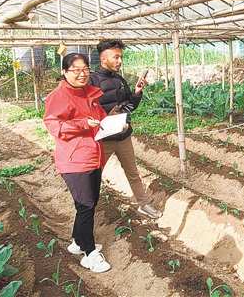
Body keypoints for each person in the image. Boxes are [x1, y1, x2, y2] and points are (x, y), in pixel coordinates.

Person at [43, 53, 111, 273]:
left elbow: (100, 117)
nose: (82, 74)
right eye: (76, 70)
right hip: (74, 159)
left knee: (88, 204)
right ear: (64, 72)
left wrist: (114, 124)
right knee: (86, 206)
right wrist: (82, 124)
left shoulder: (87, 93)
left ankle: (78, 242)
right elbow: (55, 126)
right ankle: (90, 253)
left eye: (85, 69)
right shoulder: (59, 95)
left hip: (93, 155)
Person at [89, 39, 162, 219]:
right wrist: (106, 116)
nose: (120, 61)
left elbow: (129, 105)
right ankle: (88, 210)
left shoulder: (120, 79)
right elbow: (88, 110)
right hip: (103, 140)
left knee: (133, 173)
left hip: (123, 136)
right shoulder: (92, 80)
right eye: (116, 57)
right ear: (103, 58)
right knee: (94, 176)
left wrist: (137, 92)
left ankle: (144, 204)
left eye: (120, 57)